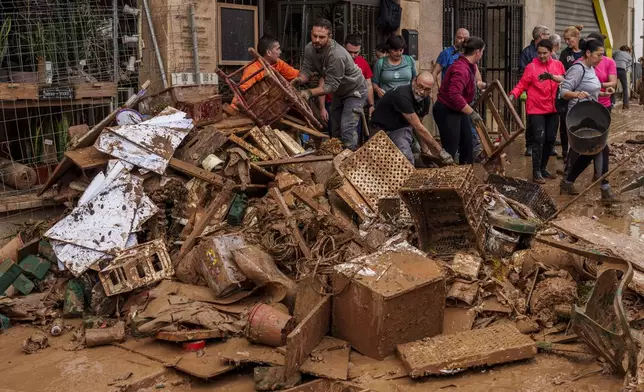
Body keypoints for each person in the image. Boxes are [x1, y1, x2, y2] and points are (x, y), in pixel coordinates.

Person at [291, 19, 367, 151]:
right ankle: (336, 158)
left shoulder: (336, 55)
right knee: (335, 128)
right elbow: (307, 71)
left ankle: (351, 160)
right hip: (340, 91)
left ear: (330, 37)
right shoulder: (310, 48)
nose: (317, 40)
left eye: (321, 37)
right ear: (311, 34)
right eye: (314, 36)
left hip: (355, 91)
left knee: (347, 128)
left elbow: (330, 86)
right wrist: (299, 80)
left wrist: (308, 93)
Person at [559, 38, 618, 202]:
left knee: (593, 150)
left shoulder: (591, 68)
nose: (601, 58)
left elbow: (590, 89)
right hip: (579, 117)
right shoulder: (578, 69)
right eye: (599, 55)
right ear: (588, 53)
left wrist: (603, 94)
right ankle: (604, 190)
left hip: (590, 114)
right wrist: (576, 94)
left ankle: (568, 181)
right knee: (598, 148)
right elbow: (563, 91)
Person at [509, 39, 565, 183]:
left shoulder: (558, 65)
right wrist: (513, 94)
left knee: (550, 139)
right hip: (536, 108)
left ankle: (543, 168)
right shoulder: (531, 67)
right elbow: (522, 84)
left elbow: (565, 80)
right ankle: (536, 172)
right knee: (538, 139)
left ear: (551, 52)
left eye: (545, 53)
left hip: (553, 108)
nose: (542, 56)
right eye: (539, 53)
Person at [371, 72, 453, 165]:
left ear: (431, 90)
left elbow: (419, 127)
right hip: (379, 128)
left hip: (401, 128)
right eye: (420, 86)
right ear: (414, 81)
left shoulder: (425, 100)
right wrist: (440, 151)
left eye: (427, 89)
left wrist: (425, 150)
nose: (422, 92)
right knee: (378, 162)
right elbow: (418, 127)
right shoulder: (402, 95)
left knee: (406, 159)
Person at [432, 27, 486, 161]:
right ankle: (448, 178)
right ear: (478, 52)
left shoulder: (471, 65)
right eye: (482, 51)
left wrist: (486, 86)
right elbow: (454, 95)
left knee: (467, 145)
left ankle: (466, 176)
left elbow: (474, 82)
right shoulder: (461, 68)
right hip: (447, 110)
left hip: (459, 110)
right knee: (451, 151)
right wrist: (472, 112)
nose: (482, 54)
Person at [318, 34, 375, 138]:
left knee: (349, 131)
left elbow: (369, 85)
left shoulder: (363, 63)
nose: (352, 55)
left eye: (356, 52)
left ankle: (350, 152)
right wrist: (322, 108)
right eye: (350, 52)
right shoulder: (334, 59)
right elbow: (323, 83)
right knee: (335, 133)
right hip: (333, 102)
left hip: (354, 101)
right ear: (343, 47)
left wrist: (371, 105)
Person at [231, 35, 299, 109]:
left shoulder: (278, 63)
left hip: (276, 104)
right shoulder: (253, 69)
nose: (280, 52)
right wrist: (234, 107)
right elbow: (241, 92)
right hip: (259, 107)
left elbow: (295, 74)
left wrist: (309, 73)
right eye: (277, 49)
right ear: (269, 52)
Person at [520, 25, 550, 157]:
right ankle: (530, 145)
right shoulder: (527, 52)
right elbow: (522, 71)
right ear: (541, 35)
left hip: (546, 93)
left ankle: (546, 145)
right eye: (547, 34)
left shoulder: (550, 52)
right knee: (531, 121)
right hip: (532, 92)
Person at [556, 25, 585, 166]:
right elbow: (562, 72)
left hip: (582, 92)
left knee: (581, 122)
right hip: (567, 92)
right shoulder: (564, 54)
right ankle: (565, 152)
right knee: (564, 123)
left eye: (570, 39)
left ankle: (580, 150)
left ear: (577, 37)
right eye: (565, 39)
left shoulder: (585, 52)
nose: (567, 42)